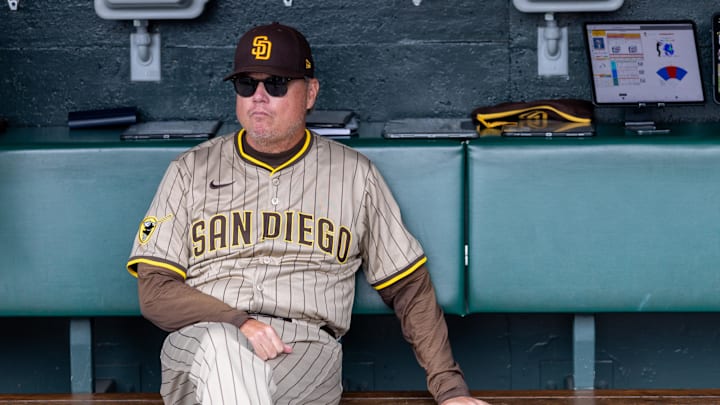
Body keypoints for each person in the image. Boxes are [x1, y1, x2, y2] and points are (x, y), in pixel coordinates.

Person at [127, 22, 490, 405]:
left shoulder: (355, 175)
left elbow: (409, 288)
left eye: (277, 84)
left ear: (311, 92)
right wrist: (239, 323)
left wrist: (450, 390)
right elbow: (155, 291)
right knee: (220, 349)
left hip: (301, 348)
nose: (259, 97)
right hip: (201, 338)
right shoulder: (189, 170)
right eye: (246, 85)